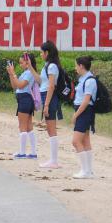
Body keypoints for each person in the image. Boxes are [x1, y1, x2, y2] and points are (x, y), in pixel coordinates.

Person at [31, 41, 64, 169]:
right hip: (46, 95)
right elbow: (40, 81)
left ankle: (54, 160)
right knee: (49, 129)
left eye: (41, 52)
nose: (40, 54)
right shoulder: (47, 65)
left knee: (51, 129)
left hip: (49, 97)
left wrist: (46, 105)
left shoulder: (52, 67)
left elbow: (51, 86)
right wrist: (30, 67)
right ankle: (53, 159)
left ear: (47, 53)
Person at [7, 53, 38, 159]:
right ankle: (33, 152)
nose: (20, 65)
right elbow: (14, 86)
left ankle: (22, 152)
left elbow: (20, 85)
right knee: (28, 127)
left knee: (22, 126)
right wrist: (11, 74)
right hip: (24, 99)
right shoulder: (26, 73)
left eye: (21, 62)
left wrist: (14, 74)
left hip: (25, 99)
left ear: (27, 62)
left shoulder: (29, 73)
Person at [71, 56, 97, 179]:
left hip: (85, 111)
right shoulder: (84, 79)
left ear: (81, 66)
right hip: (83, 111)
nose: (75, 68)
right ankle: (89, 171)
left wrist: (76, 115)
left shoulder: (90, 80)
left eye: (76, 65)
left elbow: (86, 101)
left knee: (76, 141)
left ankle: (85, 170)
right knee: (85, 140)